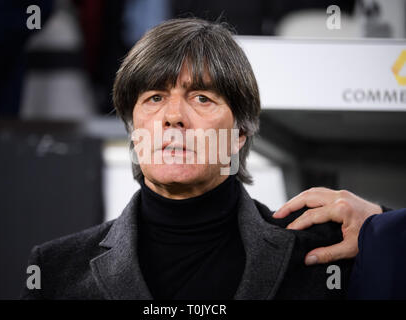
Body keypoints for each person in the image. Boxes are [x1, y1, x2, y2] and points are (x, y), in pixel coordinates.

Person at [21, 18, 385, 300]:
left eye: (202, 98)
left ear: (239, 134)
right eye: (154, 97)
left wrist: (380, 229)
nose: (174, 115)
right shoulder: (56, 270)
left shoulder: (324, 253)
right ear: (133, 129)